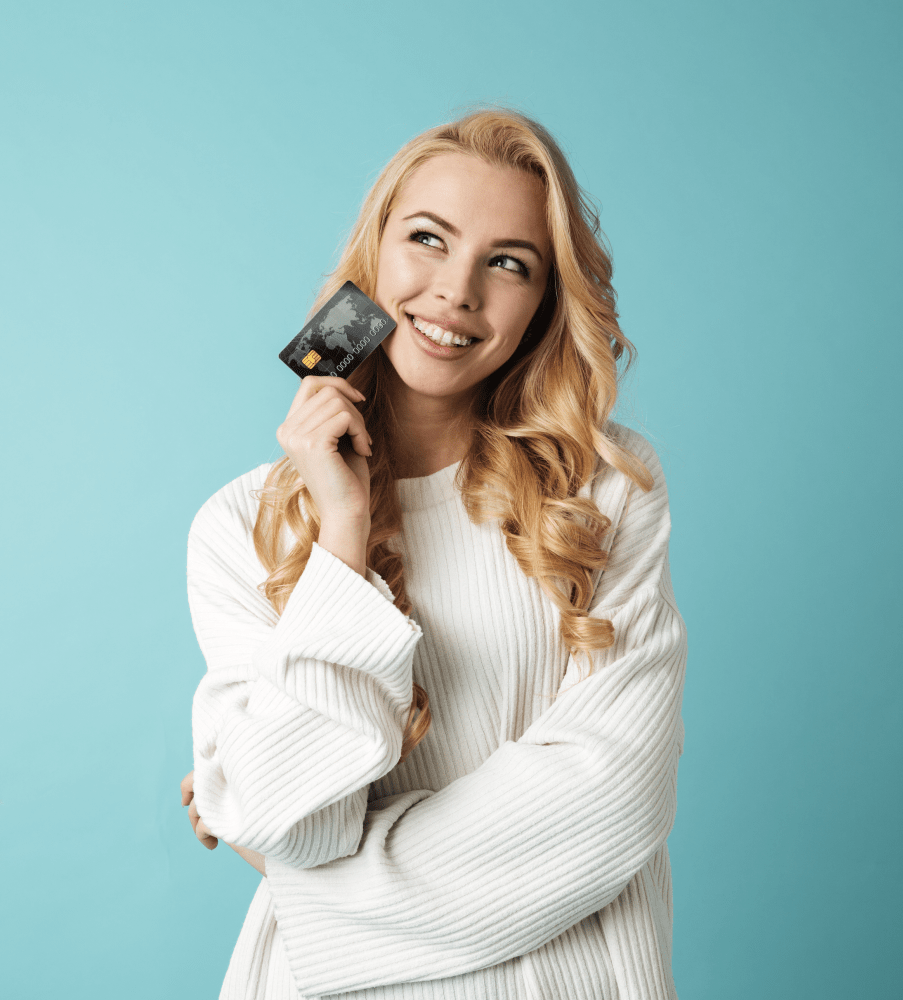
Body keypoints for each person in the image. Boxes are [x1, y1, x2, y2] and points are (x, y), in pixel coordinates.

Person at [181, 107, 687, 1000]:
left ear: (542, 304)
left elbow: (609, 801)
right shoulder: (237, 527)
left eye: (507, 263)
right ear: (375, 254)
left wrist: (308, 883)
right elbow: (295, 819)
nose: (457, 292)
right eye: (427, 239)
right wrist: (341, 536)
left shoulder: (602, 494)